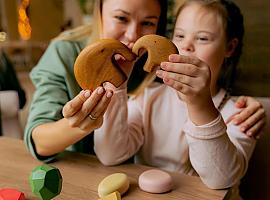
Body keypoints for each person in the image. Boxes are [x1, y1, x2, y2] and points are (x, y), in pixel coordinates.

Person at [24, 0, 265, 163]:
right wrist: (80, 124)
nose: (132, 35)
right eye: (120, 18)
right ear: (99, 13)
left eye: (148, 22)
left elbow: (207, 86)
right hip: (77, 172)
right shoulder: (65, 53)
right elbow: (39, 141)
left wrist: (248, 105)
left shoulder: (156, 64)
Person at [93, 0, 264, 197]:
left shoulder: (242, 114)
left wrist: (199, 104)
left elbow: (222, 179)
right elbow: (110, 155)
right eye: (180, 35)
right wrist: (117, 83)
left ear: (230, 47)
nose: (186, 46)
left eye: (202, 38)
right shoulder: (148, 98)